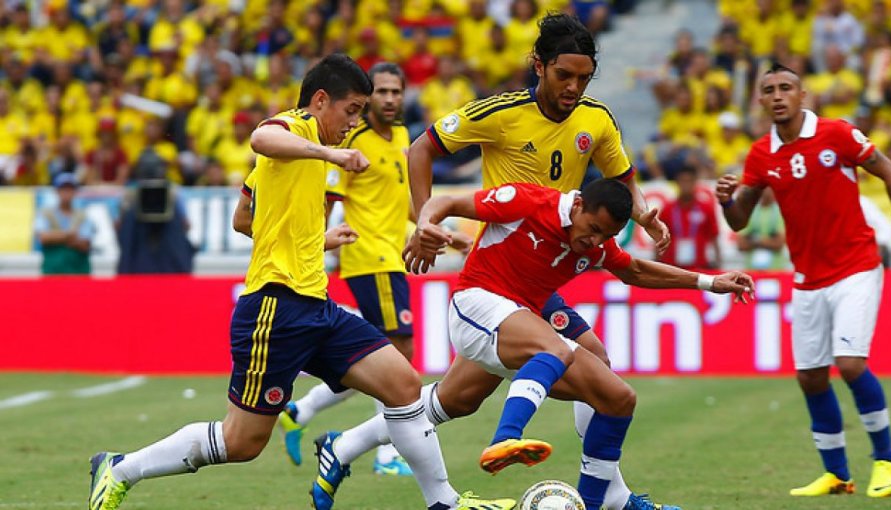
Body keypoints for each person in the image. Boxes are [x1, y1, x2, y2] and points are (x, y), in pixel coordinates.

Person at [88, 53, 514, 510]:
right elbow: (260, 136)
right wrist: (329, 153)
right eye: (351, 111)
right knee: (242, 442)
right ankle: (120, 468)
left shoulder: (310, 152)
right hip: (275, 308)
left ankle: (444, 503)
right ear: (320, 99)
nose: (355, 122)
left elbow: (243, 217)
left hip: (316, 303)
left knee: (403, 384)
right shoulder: (297, 127)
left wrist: (316, 238)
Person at [313, 179, 754, 510]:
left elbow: (636, 271)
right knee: (557, 351)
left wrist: (711, 282)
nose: (594, 241)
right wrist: (427, 225)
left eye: (605, 236)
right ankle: (507, 438)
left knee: (617, 397)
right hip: (477, 303)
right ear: (578, 204)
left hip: (524, 317)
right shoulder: (530, 202)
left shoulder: (597, 242)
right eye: (592, 228)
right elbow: (449, 200)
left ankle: (343, 446)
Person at [405, 12, 675, 510]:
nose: (574, 88)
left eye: (584, 78)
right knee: (574, 366)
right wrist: (423, 221)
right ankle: (608, 495)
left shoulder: (596, 119)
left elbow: (622, 178)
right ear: (538, 65)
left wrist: (643, 214)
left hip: (551, 265)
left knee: (465, 398)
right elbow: (421, 148)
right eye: (563, 76)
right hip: (502, 269)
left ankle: (344, 445)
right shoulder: (499, 112)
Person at [716, 63, 891, 498]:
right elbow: (740, 221)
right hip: (807, 278)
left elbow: (890, 172)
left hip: (856, 265)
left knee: (851, 364)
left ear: (803, 96)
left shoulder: (837, 134)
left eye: (786, 88)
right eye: (769, 90)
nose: (778, 95)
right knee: (811, 377)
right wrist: (726, 201)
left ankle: (887, 461)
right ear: (760, 101)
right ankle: (837, 474)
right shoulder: (761, 154)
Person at [276, 62, 470, 475]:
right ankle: (386, 454)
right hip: (368, 256)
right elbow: (326, 198)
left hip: (394, 253)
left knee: (377, 359)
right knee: (398, 357)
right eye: (380, 91)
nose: (388, 99)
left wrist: (442, 232)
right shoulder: (352, 139)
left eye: (395, 92)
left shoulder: (402, 137)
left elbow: (403, 204)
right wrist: (319, 245)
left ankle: (302, 410)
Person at [658, 164, 720, 271]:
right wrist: (657, 261)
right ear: (677, 182)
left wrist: (718, 261)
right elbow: (658, 237)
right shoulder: (667, 209)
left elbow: (713, 236)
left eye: (689, 181)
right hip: (672, 267)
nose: (686, 185)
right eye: (683, 181)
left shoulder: (706, 208)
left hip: (699, 267)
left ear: (695, 182)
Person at [34, 173, 94, 275]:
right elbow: (43, 238)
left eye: (70, 189)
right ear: (57, 191)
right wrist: (69, 235)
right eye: (63, 189)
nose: (66, 193)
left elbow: (85, 244)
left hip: (78, 272)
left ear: (75, 192)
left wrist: (56, 237)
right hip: (53, 272)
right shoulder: (46, 213)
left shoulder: (83, 215)